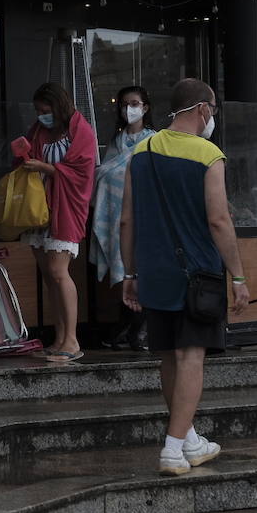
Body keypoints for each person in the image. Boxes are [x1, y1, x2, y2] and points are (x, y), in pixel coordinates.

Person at [121, 78, 249, 475]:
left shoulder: (140, 151)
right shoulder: (208, 153)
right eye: (213, 109)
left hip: (153, 270)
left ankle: (189, 439)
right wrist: (239, 276)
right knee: (191, 355)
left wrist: (129, 272)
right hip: (197, 272)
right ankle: (173, 449)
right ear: (203, 109)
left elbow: (127, 220)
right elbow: (219, 219)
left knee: (167, 356)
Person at [20, 82, 97, 362]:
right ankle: (60, 337)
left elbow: (81, 174)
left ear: (59, 106)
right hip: (40, 208)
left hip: (66, 208)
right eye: (38, 110)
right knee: (50, 275)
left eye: (46, 109)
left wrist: (45, 168)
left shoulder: (81, 131)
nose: (41, 114)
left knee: (58, 270)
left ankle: (73, 340)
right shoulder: (39, 130)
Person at [91, 86, 157, 350]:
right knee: (124, 271)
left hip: (143, 219)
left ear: (145, 107)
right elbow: (103, 176)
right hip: (116, 220)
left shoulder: (153, 140)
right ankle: (127, 325)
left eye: (134, 103)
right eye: (124, 104)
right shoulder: (116, 143)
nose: (129, 108)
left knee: (139, 270)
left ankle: (139, 328)